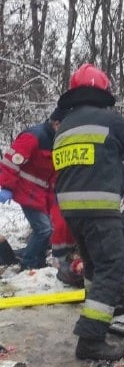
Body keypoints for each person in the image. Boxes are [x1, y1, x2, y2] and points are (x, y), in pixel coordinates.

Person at [53, 63, 124, 361]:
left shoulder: (65, 126)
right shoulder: (110, 120)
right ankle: (91, 339)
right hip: (98, 209)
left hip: (71, 211)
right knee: (114, 269)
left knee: (94, 269)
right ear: (103, 92)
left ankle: (99, 311)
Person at [0, 108, 65, 269]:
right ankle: (29, 262)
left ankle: (36, 259)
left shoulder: (58, 140)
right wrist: (7, 186)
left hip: (42, 194)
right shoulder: (34, 137)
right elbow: (11, 161)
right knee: (44, 229)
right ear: (57, 124)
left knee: (47, 229)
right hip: (26, 191)